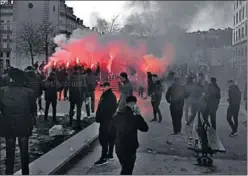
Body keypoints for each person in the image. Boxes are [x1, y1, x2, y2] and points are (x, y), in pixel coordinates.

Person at [0, 67, 36, 175]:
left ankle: (9, 173)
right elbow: (33, 108)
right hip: (24, 124)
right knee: (24, 152)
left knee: (9, 152)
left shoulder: (2, 91)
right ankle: (25, 173)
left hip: (8, 124)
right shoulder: (29, 91)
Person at [111, 96, 149, 175]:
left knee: (125, 168)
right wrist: (138, 115)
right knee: (127, 171)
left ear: (126, 103)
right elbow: (145, 128)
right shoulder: (134, 117)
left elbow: (111, 131)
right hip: (130, 149)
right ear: (134, 105)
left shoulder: (116, 116)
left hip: (119, 148)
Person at [95, 82, 117, 166]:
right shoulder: (106, 95)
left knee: (104, 138)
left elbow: (107, 110)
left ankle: (103, 158)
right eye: (102, 87)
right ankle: (110, 154)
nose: (102, 88)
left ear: (108, 86)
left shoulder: (109, 96)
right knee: (110, 138)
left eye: (104, 87)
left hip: (107, 121)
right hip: (107, 121)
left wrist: (103, 118)